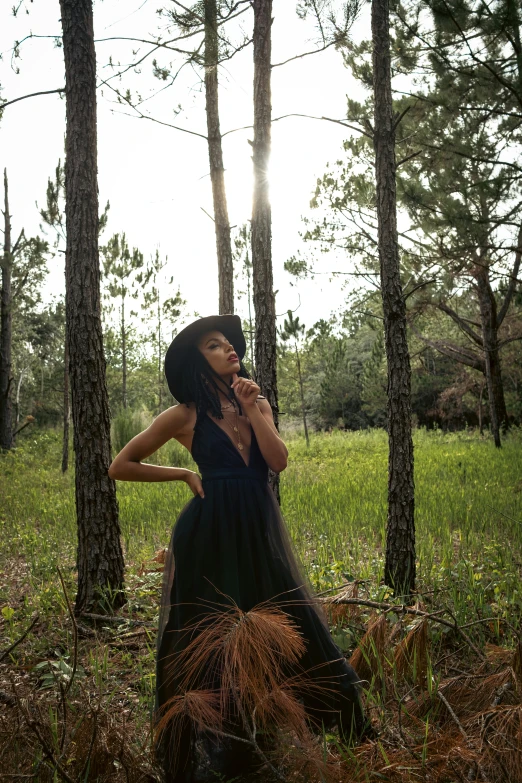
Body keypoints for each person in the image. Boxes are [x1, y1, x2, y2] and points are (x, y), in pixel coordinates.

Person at [108, 314, 372, 783]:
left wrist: (253, 409)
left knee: (290, 619)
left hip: (258, 530)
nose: (230, 348)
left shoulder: (258, 403)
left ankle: (336, 725)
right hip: (207, 537)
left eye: (230, 342)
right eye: (215, 345)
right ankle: (226, 748)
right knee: (213, 637)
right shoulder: (185, 414)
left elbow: (278, 461)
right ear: (199, 361)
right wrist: (184, 474)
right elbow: (120, 465)